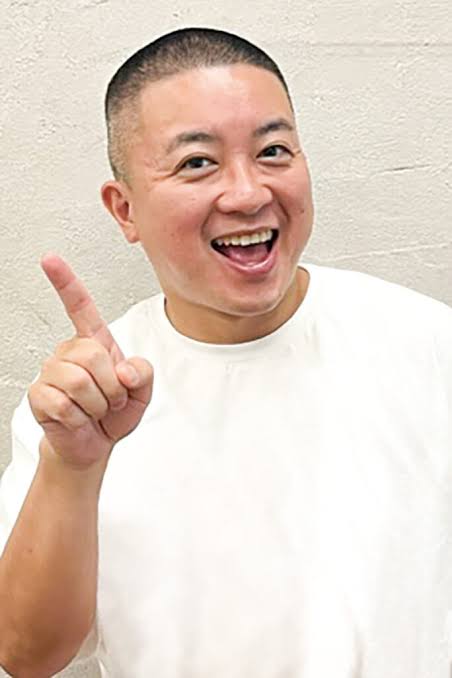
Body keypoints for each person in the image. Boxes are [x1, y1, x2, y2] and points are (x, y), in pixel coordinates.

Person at [0, 26, 451, 678]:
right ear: (124, 210)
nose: (248, 193)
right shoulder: (83, 406)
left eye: (273, 151)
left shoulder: (427, 345)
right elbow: (25, 654)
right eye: (197, 163)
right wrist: (72, 468)